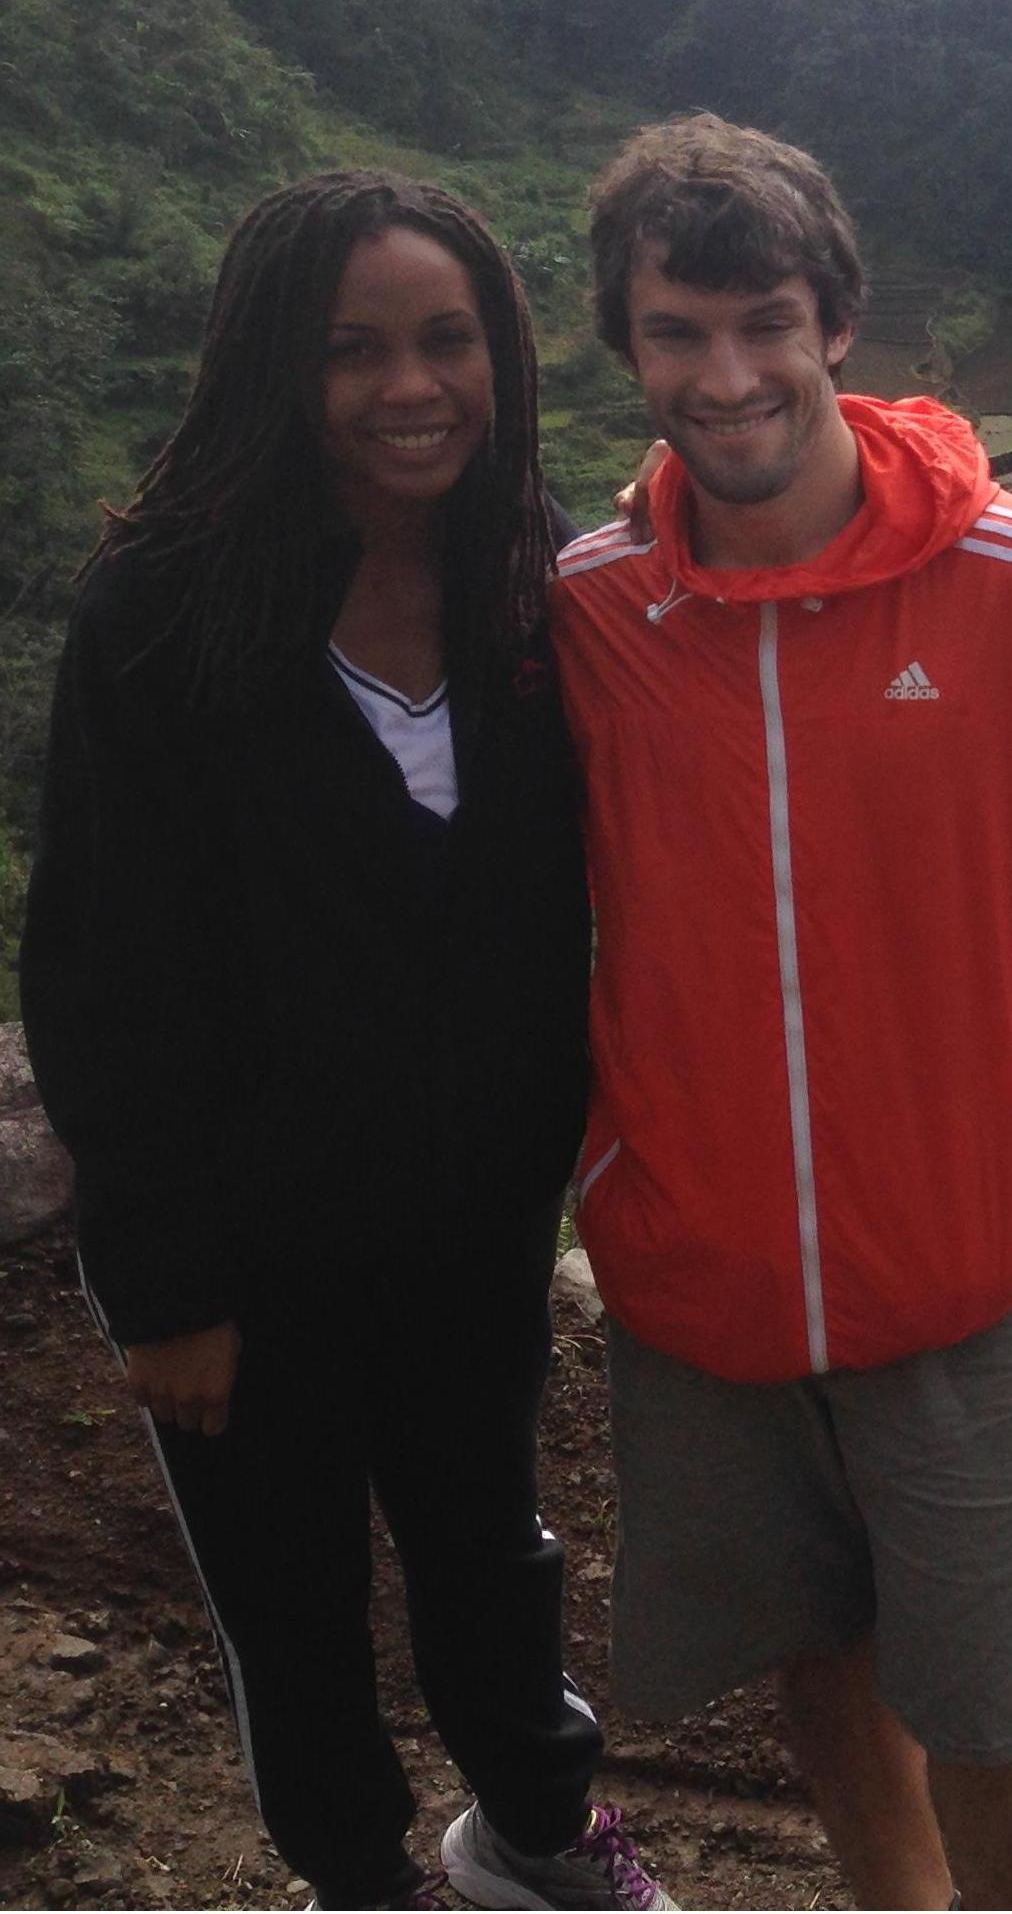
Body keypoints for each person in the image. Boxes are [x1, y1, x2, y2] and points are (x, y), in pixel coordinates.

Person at [551, 115, 1012, 1911]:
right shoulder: (593, 612)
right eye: (677, 333)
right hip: (701, 1273)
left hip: (963, 1272)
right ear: (629, 348)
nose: (726, 372)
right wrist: (611, 1159)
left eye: (762, 320)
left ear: (837, 321)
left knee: (997, 1691)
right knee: (812, 1645)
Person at [22, 172, 668, 1913]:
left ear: (500, 353)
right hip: (249, 1247)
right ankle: (353, 1879)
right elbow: (101, 968)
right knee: (290, 1596)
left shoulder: (528, 576)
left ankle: (539, 1830)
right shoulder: (164, 615)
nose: (411, 385)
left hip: (470, 1226)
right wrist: (160, 1286)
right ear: (270, 369)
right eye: (353, 349)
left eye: (447, 339)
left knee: (490, 1553)